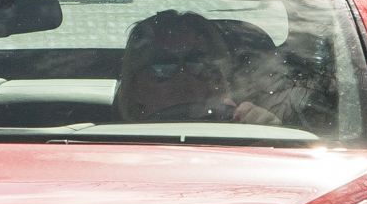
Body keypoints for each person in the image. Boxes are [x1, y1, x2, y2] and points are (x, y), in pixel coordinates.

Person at [114, 10, 280, 126]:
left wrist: (269, 137)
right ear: (135, 86)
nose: (183, 77)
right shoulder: (107, 146)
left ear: (218, 80)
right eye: (162, 68)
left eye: (199, 66)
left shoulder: (245, 131)